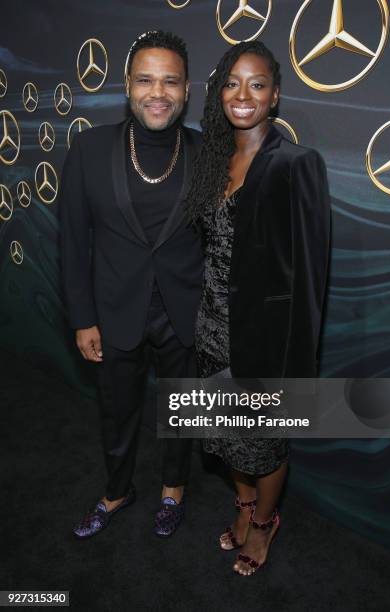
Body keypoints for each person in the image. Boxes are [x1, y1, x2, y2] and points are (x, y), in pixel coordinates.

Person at [187, 41, 330, 575]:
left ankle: (265, 522)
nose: (242, 94)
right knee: (227, 439)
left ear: (275, 96)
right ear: (219, 91)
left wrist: (294, 364)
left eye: (257, 84)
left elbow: (311, 276)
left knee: (263, 446)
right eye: (231, 83)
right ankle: (243, 506)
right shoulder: (212, 160)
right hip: (211, 330)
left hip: (265, 343)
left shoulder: (297, 164)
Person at [59, 30, 203, 539]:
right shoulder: (91, 148)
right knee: (116, 410)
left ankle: (174, 490)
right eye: (145, 79)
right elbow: (74, 241)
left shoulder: (208, 154)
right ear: (127, 85)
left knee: (182, 411)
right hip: (114, 309)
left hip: (185, 313)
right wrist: (82, 318)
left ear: (186, 90)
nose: (157, 92)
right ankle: (117, 491)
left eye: (170, 81)